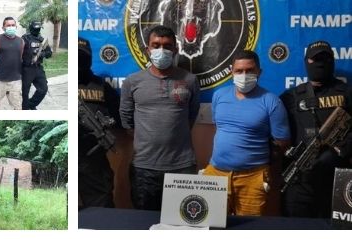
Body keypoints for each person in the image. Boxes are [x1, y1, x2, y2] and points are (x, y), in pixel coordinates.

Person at [119, 26, 200, 211]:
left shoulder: (190, 80)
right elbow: (126, 119)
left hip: (182, 167)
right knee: (144, 224)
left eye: (167, 46)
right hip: (144, 168)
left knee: (183, 224)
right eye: (155, 45)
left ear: (175, 49)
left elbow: (191, 116)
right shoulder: (132, 81)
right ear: (147, 50)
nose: (161, 50)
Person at [203, 51, 291, 216]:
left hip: (253, 177)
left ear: (259, 72)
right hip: (215, 173)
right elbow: (219, 128)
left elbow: (282, 142)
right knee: (211, 224)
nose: (244, 75)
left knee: (248, 232)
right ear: (232, 72)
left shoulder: (271, 101)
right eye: (239, 71)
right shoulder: (219, 96)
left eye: (250, 70)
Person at [281, 41, 352, 218]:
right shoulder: (291, 97)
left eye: (325, 58)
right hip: (301, 180)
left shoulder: (347, 93)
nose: (321, 63)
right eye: (316, 59)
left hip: (338, 178)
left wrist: (342, 149)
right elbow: (279, 134)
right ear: (307, 62)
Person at [78, 36, 120, 208]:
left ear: (89, 58)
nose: (79, 62)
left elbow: (118, 119)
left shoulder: (102, 86)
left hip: (93, 159)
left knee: (101, 207)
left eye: (83, 57)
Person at [0, 17, 24, 110]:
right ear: (3, 27)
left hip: (15, 80)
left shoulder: (21, 41)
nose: (11, 27)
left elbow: (20, 57)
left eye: (13, 25)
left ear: (16, 26)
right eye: (8, 25)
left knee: (17, 106)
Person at [21, 20, 52, 110]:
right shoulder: (24, 39)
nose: (37, 30)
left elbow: (49, 53)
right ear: (31, 28)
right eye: (36, 28)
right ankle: (25, 109)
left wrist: (42, 54)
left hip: (38, 68)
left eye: (39, 28)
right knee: (25, 91)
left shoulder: (42, 40)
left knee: (43, 89)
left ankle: (31, 104)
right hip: (27, 69)